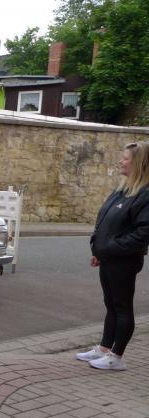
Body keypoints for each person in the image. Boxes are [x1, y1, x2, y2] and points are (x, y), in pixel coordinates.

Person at [76, 141, 149, 371]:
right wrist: (97, 249)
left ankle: (117, 357)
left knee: (122, 306)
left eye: (126, 158)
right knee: (111, 304)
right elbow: (104, 222)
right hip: (109, 258)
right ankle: (104, 348)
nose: (121, 161)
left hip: (124, 261)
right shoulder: (123, 190)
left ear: (138, 164)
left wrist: (110, 248)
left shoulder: (145, 194)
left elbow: (143, 233)